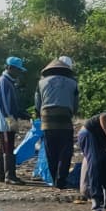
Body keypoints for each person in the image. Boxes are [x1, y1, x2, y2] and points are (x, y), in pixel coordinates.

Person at [37, 56, 79, 188]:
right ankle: (61, 180)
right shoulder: (73, 83)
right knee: (65, 151)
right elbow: (75, 104)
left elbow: (37, 104)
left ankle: (55, 178)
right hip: (65, 119)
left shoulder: (41, 83)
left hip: (47, 120)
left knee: (51, 151)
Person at [0, 56, 29, 185]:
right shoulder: (4, 81)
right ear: (9, 68)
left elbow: (11, 104)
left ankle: (2, 175)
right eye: (17, 70)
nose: (19, 73)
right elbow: (4, 103)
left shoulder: (9, 81)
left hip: (8, 118)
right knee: (8, 147)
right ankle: (9, 175)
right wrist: (10, 120)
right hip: (6, 120)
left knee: (4, 147)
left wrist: (21, 113)